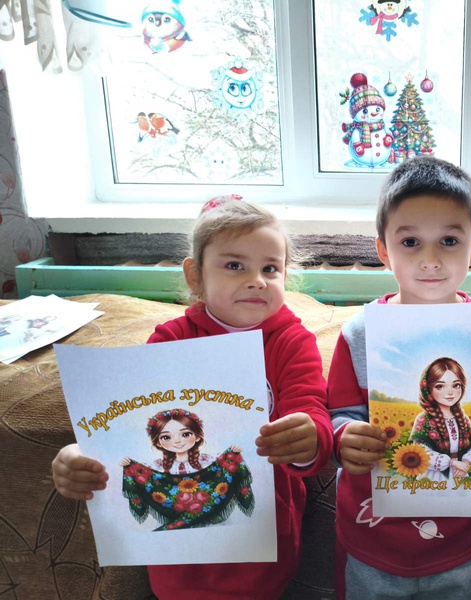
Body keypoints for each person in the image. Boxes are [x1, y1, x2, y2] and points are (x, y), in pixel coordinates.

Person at [51, 196, 334, 600]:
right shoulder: (169, 339)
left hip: (262, 536)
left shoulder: (293, 343)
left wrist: (310, 438)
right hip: (174, 546)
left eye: (270, 268)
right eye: (235, 265)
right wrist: (79, 454)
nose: (257, 280)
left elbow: (312, 412)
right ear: (195, 276)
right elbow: (127, 424)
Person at [327, 156, 471, 599]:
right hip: (371, 539)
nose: (430, 260)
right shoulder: (360, 333)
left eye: (449, 241)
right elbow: (339, 415)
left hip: (461, 546)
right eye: (410, 242)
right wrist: (344, 437)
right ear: (383, 250)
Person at [120, 408, 253, 531]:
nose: (177, 441)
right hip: (174, 526)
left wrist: (232, 453)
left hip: (213, 525)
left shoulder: (207, 460)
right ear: (158, 442)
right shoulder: (158, 466)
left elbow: (223, 465)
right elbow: (142, 473)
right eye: (166, 437)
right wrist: (130, 465)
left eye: (186, 434)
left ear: (197, 436)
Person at [410, 357, 471, 481]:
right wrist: (452, 463)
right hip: (434, 476)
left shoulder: (462, 419)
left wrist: (466, 462)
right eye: (440, 386)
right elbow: (420, 452)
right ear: (428, 389)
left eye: (456, 385)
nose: (450, 392)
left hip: (460, 473)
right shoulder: (424, 419)